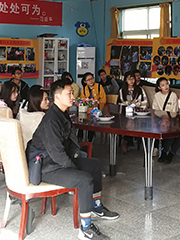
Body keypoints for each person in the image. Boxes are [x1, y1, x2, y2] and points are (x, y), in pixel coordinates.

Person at [28, 79, 119, 239]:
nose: (73, 96)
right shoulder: (51, 120)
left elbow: (68, 144)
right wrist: (74, 168)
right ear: (57, 97)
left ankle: (96, 207)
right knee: (84, 180)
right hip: (47, 166)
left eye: (72, 93)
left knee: (95, 165)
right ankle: (85, 229)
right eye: (69, 93)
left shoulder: (62, 114)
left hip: (58, 161)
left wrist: (76, 160)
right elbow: (56, 153)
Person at [152, 77, 180, 164]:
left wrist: (167, 118)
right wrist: (162, 117)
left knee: (173, 130)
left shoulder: (173, 95)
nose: (166, 86)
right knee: (160, 128)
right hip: (159, 119)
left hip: (171, 119)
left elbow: (174, 110)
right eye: (163, 85)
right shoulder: (157, 96)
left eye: (167, 84)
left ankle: (167, 152)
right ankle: (159, 149)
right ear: (159, 87)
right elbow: (155, 109)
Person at [118, 72, 148, 152]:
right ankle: (126, 141)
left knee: (135, 122)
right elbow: (121, 102)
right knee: (128, 122)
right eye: (129, 78)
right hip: (126, 112)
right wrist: (129, 104)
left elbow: (145, 101)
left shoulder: (140, 89)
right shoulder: (122, 90)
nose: (131, 80)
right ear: (125, 80)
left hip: (138, 112)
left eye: (133, 78)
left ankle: (127, 141)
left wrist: (137, 104)